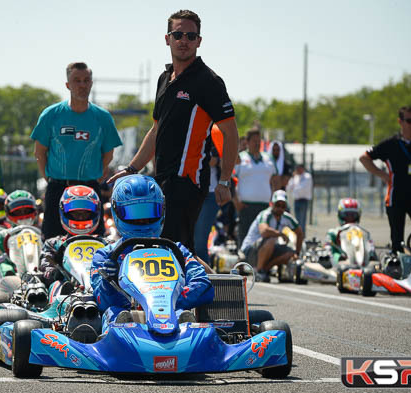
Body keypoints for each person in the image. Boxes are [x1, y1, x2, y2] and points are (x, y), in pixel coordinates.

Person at [108, 10, 239, 253]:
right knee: (170, 250)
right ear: (167, 38)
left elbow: (231, 133)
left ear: (199, 41)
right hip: (161, 181)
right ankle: (216, 288)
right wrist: (131, 169)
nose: (184, 41)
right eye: (178, 34)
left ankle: (224, 289)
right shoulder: (164, 78)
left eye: (191, 36)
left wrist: (224, 180)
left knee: (171, 249)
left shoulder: (208, 81)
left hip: (187, 181)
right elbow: (156, 130)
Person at [91, 174, 214, 331]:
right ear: (117, 212)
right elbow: (102, 301)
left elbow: (204, 286)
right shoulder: (105, 256)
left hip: (171, 319)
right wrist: (108, 283)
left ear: (161, 211)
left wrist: (167, 301)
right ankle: (123, 327)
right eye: (134, 214)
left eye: (149, 212)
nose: (142, 220)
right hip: (126, 325)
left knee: (182, 314)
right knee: (113, 312)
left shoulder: (176, 250)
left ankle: (184, 328)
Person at [31, 62, 122, 240]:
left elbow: (108, 154)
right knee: (52, 242)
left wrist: (95, 177)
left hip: (89, 188)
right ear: (68, 85)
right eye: (77, 80)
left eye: (86, 80)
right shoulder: (51, 115)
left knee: (94, 242)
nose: (82, 85)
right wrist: (48, 179)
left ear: (91, 83)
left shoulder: (102, 117)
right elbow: (39, 153)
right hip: (58, 188)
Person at [359, 106, 411, 254]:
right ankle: (397, 268)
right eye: (409, 121)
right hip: (397, 197)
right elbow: (364, 158)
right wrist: (382, 175)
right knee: (398, 242)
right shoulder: (390, 144)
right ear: (400, 122)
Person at [37, 185, 102, 287]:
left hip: (98, 288)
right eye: (75, 213)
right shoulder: (54, 244)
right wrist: (52, 271)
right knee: (56, 285)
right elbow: (46, 263)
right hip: (67, 291)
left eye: (86, 213)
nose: (80, 217)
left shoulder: (105, 244)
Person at [240, 190, 303, 282]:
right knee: (271, 239)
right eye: (277, 205)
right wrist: (280, 234)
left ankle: (264, 270)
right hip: (250, 251)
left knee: (291, 254)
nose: (280, 208)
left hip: (267, 249)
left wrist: (297, 252)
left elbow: (300, 233)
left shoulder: (287, 218)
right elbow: (264, 231)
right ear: (271, 204)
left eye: (283, 206)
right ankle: (259, 271)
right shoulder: (265, 214)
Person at [234, 128, 277, 247]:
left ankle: (260, 264)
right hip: (246, 206)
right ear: (247, 142)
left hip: (264, 206)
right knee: (245, 237)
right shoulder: (240, 158)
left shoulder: (268, 158)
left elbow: (275, 180)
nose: (257, 143)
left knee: (263, 236)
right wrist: (236, 202)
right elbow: (231, 181)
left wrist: (273, 199)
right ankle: (243, 263)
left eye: (259, 141)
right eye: (254, 141)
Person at [0, 189, 40, 278]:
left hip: (39, 272)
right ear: (8, 213)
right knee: (4, 267)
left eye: (27, 211)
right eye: (18, 212)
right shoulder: (3, 235)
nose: (23, 215)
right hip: (15, 276)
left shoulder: (41, 232)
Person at [325, 198, 373, 267]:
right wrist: (338, 257)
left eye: (353, 215)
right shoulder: (333, 233)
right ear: (340, 215)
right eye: (346, 215)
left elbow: (371, 250)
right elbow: (328, 252)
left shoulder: (365, 233)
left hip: (363, 264)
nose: (350, 218)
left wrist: (371, 256)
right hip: (340, 264)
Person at [287, 164, 313, 235]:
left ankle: (302, 234)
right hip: (296, 200)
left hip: (304, 200)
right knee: (297, 219)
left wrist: (294, 188)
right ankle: (298, 234)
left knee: (302, 220)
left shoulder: (307, 176)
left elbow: (302, 188)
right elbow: (289, 187)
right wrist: (292, 177)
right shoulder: (295, 177)